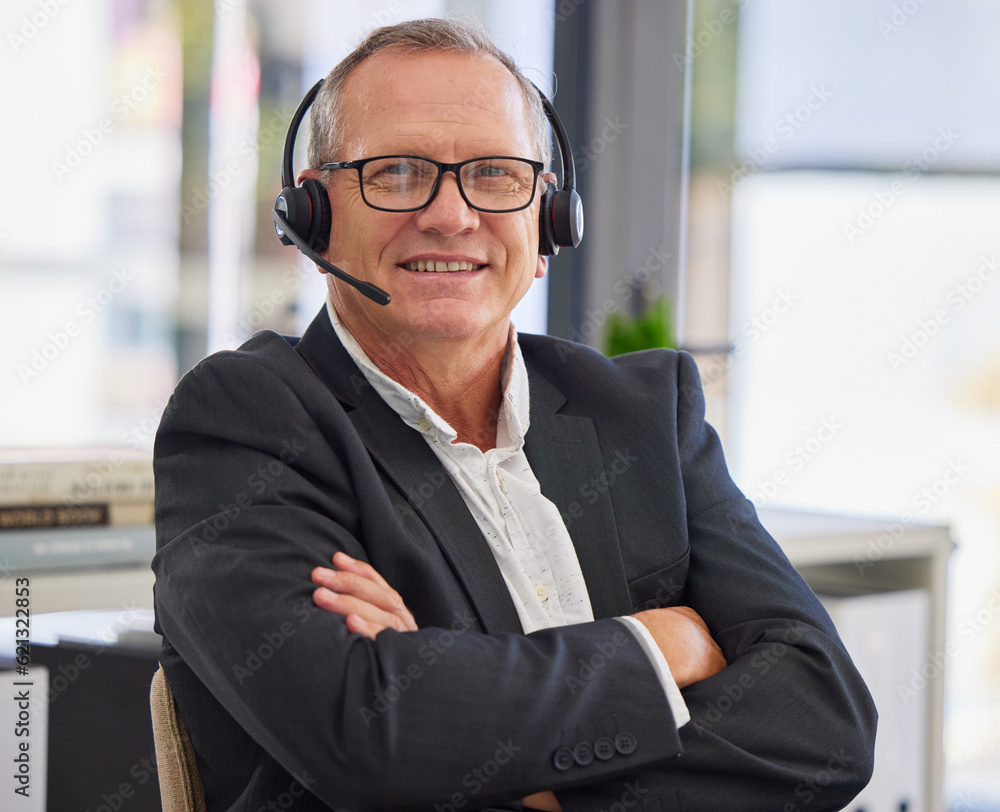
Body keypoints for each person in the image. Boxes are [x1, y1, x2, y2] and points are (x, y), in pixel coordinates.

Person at [152, 18, 876, 812]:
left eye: (494, 175)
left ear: (550, 221)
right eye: (397, 173)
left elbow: (827, 723)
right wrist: (662, 645)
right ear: (313, 214)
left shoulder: (645, 416)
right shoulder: (247, 422)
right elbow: (373, 735)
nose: (451, 215)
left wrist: (529, 781)